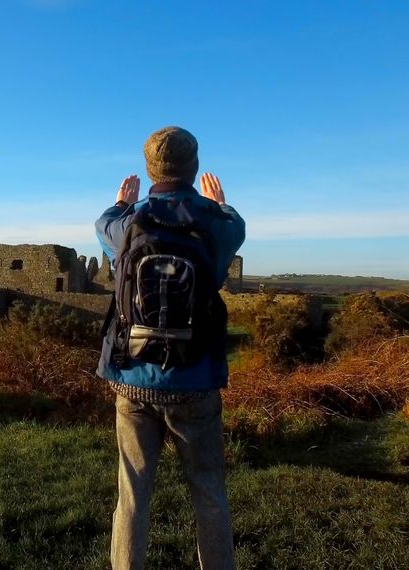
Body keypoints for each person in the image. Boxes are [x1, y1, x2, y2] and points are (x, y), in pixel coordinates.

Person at [95, 126, 245, 570]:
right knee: (209, 494)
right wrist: (218, 201)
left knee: (132, 497)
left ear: (147, 169)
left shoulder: (126, 224)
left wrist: (124, 201)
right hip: (196, 379)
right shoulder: (218, 224)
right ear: (195, 168)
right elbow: (234, 227)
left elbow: (102, 223)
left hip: (133, 378)